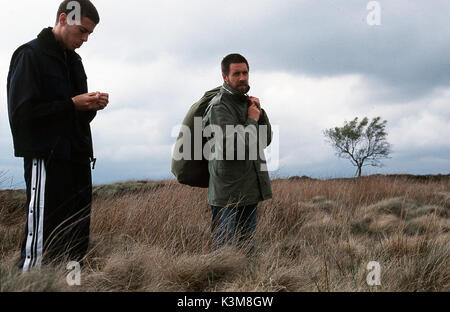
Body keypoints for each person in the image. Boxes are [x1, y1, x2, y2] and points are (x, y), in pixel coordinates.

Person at [7, 0, 108, 272]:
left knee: (75, 236)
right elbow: (22, 115)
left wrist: (90, 106)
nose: (85, 39)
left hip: (77, 157)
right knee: (44, 238)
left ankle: (69, 286)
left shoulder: (75, 60)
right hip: (47, 158)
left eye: (90, 34)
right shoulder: (30, 55)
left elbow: (77, 114)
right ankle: (30, 287)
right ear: (63, 19)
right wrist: (72, 104)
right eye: (82, 31)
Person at [202, 53, 272, 253]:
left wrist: (261, 113)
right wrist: (251, 119)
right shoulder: (219, 106)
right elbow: (232, 148)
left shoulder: (246, 103)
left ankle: (247, 285)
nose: (242, 77)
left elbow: (264, 141)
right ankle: (218, 284)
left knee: (247, 251)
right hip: (227, 194)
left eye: (245, 72)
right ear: (225, 77)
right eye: (236, 74)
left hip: (249, 189)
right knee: (222, 253)